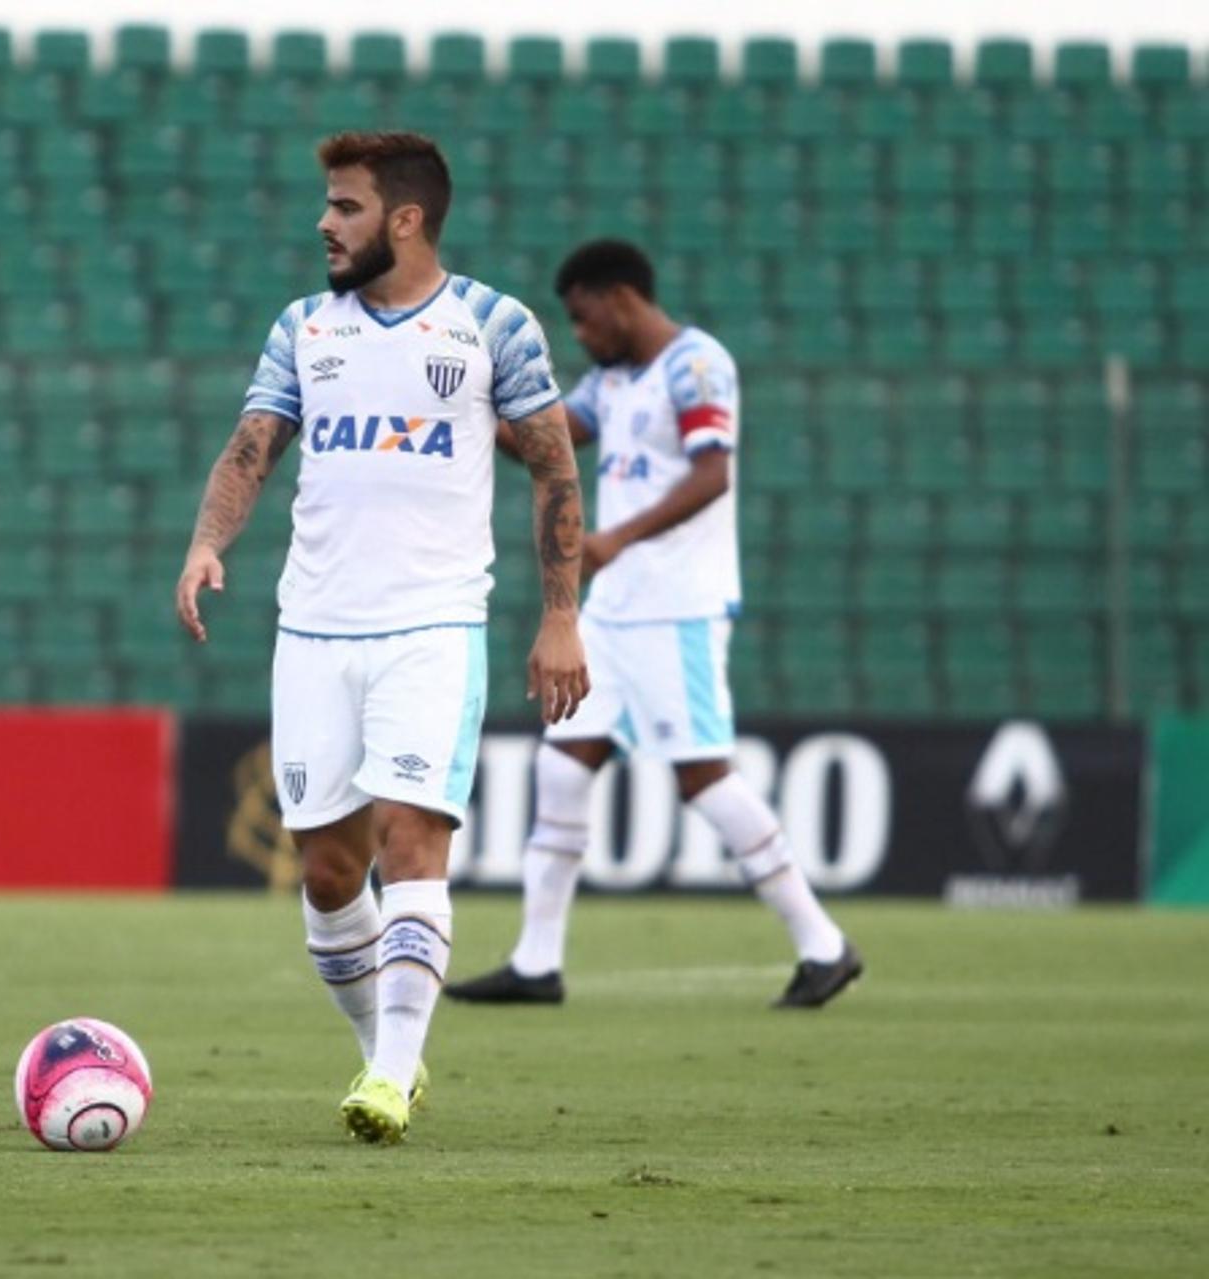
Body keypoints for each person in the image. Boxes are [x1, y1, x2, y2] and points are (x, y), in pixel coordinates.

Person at [176, 132, 591, 1144]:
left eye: (345, 206)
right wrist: (205, 543)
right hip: (313, 629)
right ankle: (386, 1053)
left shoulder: (494, 325)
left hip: (433, 623)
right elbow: (251, 448)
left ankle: (392, 1080)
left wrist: (561, 615)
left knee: (414, 842)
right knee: (325, 873)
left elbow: (553, 469)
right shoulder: (304, 328)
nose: (324, 222)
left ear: (404, 219)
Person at [445, 239, 864, 1012]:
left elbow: (714, 473)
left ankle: (824, 944)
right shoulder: (613, 381)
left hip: (681, 605)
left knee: (703, 775)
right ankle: (537, 961)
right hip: (615, 611)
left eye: (583, 316)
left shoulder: (696, 365)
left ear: (622, 299)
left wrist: (615, 538)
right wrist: (472, 403)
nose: (580, 334)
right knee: (562, 766)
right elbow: (547, 440)